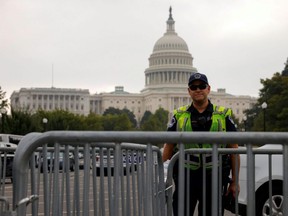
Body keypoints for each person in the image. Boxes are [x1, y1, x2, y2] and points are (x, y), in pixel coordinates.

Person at [162, 72, 240, 216]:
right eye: (193, 86)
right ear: (189, 91)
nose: (198, 89)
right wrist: (159, 174)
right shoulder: (179, 115)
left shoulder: (223, 115)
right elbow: (169, 146)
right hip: (186, 176)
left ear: (208, 88)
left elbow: (234, 149)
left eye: (202, 86)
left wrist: (235, 182)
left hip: (214, 176)